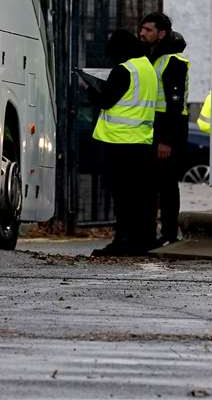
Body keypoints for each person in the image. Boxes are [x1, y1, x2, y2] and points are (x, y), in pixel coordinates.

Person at [82, 27, 160, 256]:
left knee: (123, 197)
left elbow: (106, 101)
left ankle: (123, 241)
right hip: (142, 142)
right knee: (141, 196)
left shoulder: (124, 70)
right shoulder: (146, 67)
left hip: (119, 143)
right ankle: (144, 240)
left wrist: (90, 90)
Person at [141, 13, 190, 245]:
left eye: (148, 30)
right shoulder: (153, 58)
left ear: (162, 33)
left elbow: (174, 102)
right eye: (142, 29)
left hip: (169, 127)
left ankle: (169, 233)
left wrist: (165, 140)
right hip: (156, 126)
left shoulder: (172, 61)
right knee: (153, 184)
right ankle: (155, 233)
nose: (142, 34)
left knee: (167, 185)